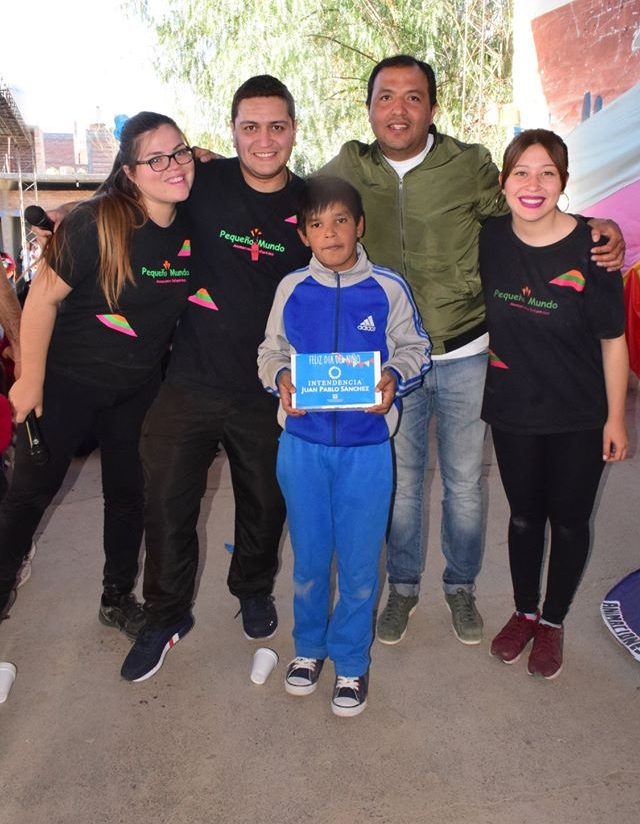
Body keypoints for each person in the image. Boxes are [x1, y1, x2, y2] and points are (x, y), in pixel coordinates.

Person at [321, 55, 626, 648]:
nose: (399, 109)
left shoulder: (469, 164)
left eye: (413, 97)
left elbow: (530, 207)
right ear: (369, 108)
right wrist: (210, 168)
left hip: (467, 351)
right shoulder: (348, 166)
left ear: (432, 107)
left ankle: (460, 586)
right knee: (403, 484)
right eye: (386, 97)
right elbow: (289, 195)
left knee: (465, 483)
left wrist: (597, 226)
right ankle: (403, 587)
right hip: (394, 359)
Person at [120, 76, 312, 683]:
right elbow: (138, 186)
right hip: (192, 379)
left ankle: (252, 588)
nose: (264, 139)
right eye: (250, 127)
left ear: (294, 130)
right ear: (232, 132)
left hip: (269, 384)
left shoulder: (310, 201)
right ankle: (165, 614)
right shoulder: (201, 180)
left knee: (266, 502)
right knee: (166, 501)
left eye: (276, 126)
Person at [0, 111, 194, 630]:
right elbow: (41, 300)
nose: (173, 165)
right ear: (129, 171)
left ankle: (116, 598)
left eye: (179, 151)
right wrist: (30, 379)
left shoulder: (191, 220)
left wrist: (201, 158)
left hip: (136, 388)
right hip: (67, 383)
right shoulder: (97, 222)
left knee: (128, 496)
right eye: (155, 159)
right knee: (28, 497)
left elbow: (223, 171)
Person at [258, 175, 431, 716]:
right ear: (303, 234)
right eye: (317, 224)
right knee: (309, 559)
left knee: (359, 563)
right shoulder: (291, 288)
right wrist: (281, 378)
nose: (330, 233)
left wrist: (394, 377)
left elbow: (415, 348)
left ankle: (352, 659)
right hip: (302, 448)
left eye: (340, 221)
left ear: (359, 225)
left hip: (366, 451)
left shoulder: (388, 288)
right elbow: (270, 350)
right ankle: (309, 648)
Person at [480, 129, 628, 679]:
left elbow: (614, 340)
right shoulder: (490, 238)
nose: (533, 184)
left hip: (578, 414)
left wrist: (616, 418)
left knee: (568, 522)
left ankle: (553, 620)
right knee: (523, 518)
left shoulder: (594, 248)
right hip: (512, 408)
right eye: (521, 172)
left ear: (564, 181)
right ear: (503, 182)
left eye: (547, 173)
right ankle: (524, 612)